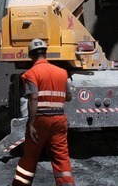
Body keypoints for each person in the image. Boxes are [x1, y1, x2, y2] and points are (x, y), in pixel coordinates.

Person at [12, 39, 75, 186]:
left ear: (30, 55)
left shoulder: (30, 74)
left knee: (30, 157)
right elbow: (69, 97)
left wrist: (31, 124)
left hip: (40, 120)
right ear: (45, 53)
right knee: (61, 157)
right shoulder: (62, 72)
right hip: (59, 119)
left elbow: (33, 97)